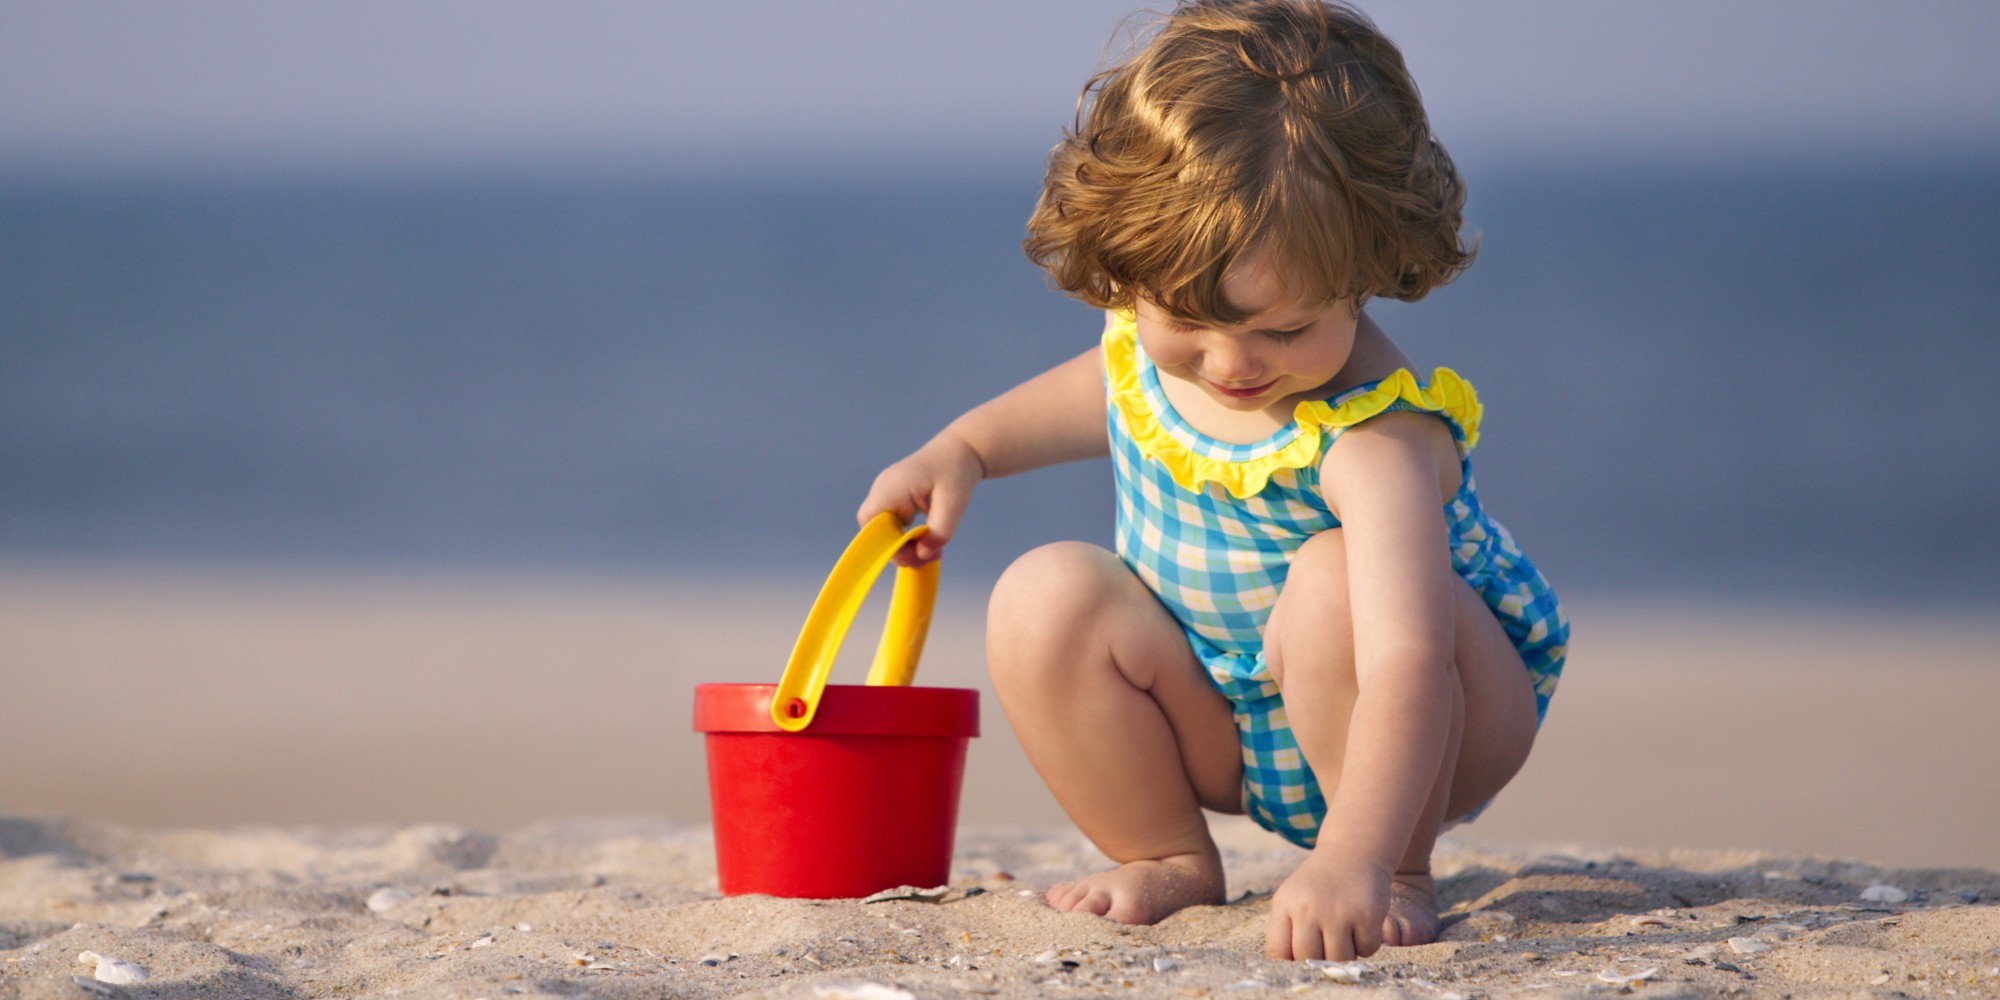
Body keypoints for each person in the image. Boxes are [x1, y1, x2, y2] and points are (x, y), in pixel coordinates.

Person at [857, 0, 1567, 962]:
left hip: (1428, 725)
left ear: (1366, 271)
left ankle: (1400, 868)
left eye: (1283, 329)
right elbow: (1082, 402)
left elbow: (1409, 664)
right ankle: (1166, 854)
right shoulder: (1152, 358)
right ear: (1132, 273)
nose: (1233, 364)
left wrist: (1358, 859)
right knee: (1042, 595)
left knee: (1328, 581)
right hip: (1233, 716)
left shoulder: (1373, 435)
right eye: (1190, 320)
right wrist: (961, 454)